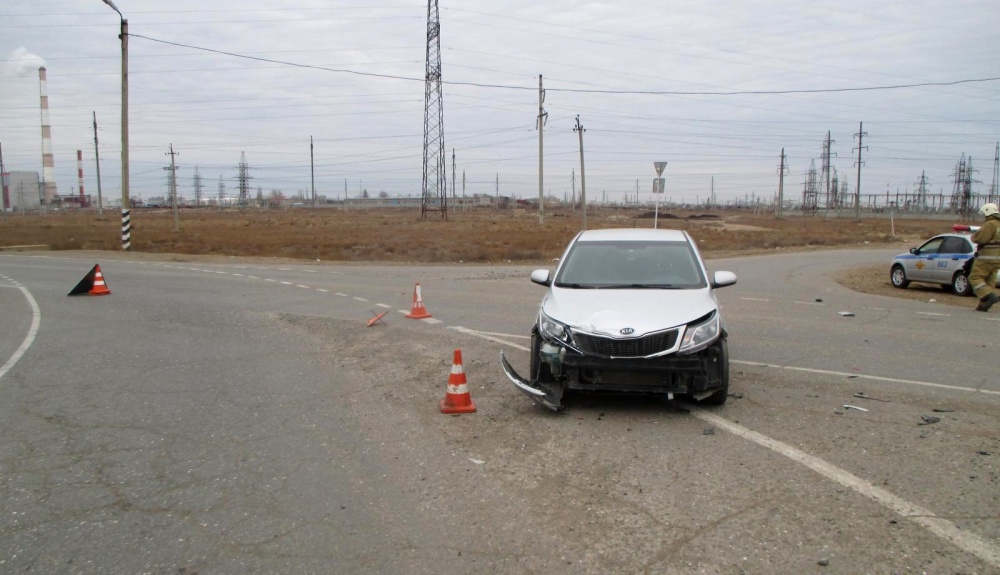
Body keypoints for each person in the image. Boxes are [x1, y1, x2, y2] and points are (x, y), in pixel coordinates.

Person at [970, 202, 1000, 311]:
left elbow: (980, 238)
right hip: (997, 258)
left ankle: (989, 296)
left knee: (975, 277)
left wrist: (974, 236)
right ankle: (984, 304)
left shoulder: (990, 224)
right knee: (989, 280)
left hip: (986, 256)